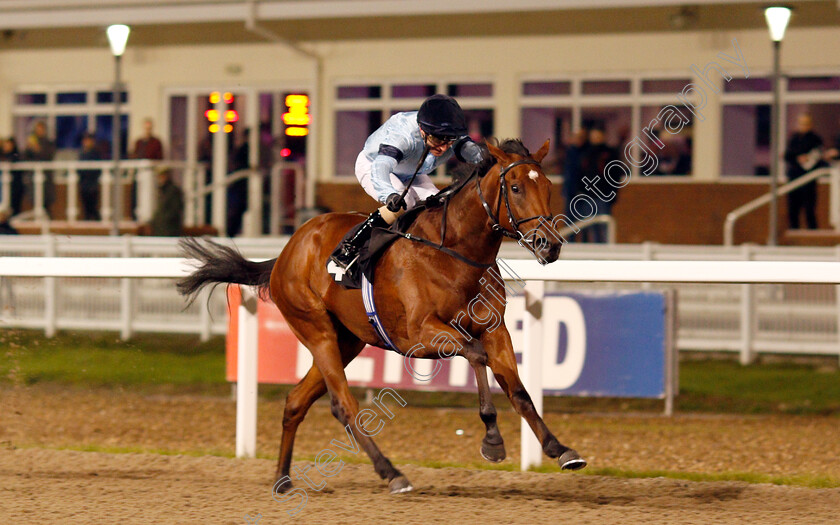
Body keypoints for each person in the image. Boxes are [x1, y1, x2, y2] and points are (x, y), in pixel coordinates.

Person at [327, 94, 484, 275]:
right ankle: (351, 246)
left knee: (438, 204)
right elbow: (381, 167)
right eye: (438, 141)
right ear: (422, 130)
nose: (443, 148)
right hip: (374, 165)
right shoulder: (403, 136)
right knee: (404, 203)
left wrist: (493, 162)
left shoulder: (446, 134)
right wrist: (389, 195)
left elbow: (474, 154)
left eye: (449, 141)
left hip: (410, 171)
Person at [784, 113, 826, 230]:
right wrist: (798, 158)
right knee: (793, 207)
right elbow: (788, 155)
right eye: (802, 123)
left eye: (806, 123)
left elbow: (819, 157)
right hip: (794, 177)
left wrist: (807, 159)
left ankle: (812, 231)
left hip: (809, 179)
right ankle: (794, 230)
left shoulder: (815, 139)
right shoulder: (794, 138)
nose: (804, 126)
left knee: (809, 207)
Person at [580, 127, 619, 243]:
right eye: (593, 137)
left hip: (603, 195)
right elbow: (581, 173)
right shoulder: (586, 153)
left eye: (597, 136)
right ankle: (595, 251)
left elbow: (615, 174)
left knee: (605, 225)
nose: (595, 139)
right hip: (588, 196)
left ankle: (607, 251)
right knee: (590, 226)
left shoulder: (609, 153)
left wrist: (612, 193)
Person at [22, 121, 56, 218]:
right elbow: (25, 157)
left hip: (46, 179)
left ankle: (49, 222)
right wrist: (28, 148)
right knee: (35, 201)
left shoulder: (48, 143)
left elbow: (48, 156)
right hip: (33, 178)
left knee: (46, 204)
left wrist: (37, 149)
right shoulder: (32, 141)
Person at [561, 129, 588, 242]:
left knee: (584, 220)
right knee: (570, 220)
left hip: (583, 192)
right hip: (570, 192)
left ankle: (584, 242)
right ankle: (571, 241)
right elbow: (568, 173)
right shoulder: (569, 153)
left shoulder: (586, 153)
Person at [149, 168, 184, 236]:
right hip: (160, 229)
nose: (159, 179)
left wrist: (163, 220)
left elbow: (175, 210)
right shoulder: (163, 191)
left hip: (169, 230)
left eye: (162, 176)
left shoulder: (173, 191)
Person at [78, 131, 102, 221]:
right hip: (84, 184)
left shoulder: (95, 153)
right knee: (86, 207)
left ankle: (96, 221)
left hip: (92, 184)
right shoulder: (82, 153)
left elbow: (96, 170)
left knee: (93, 207)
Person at [0, 137, 23, 216]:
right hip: (3, 187)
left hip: (14, 187)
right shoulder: (2, 155)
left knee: (13, 207)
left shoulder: (16, 156)